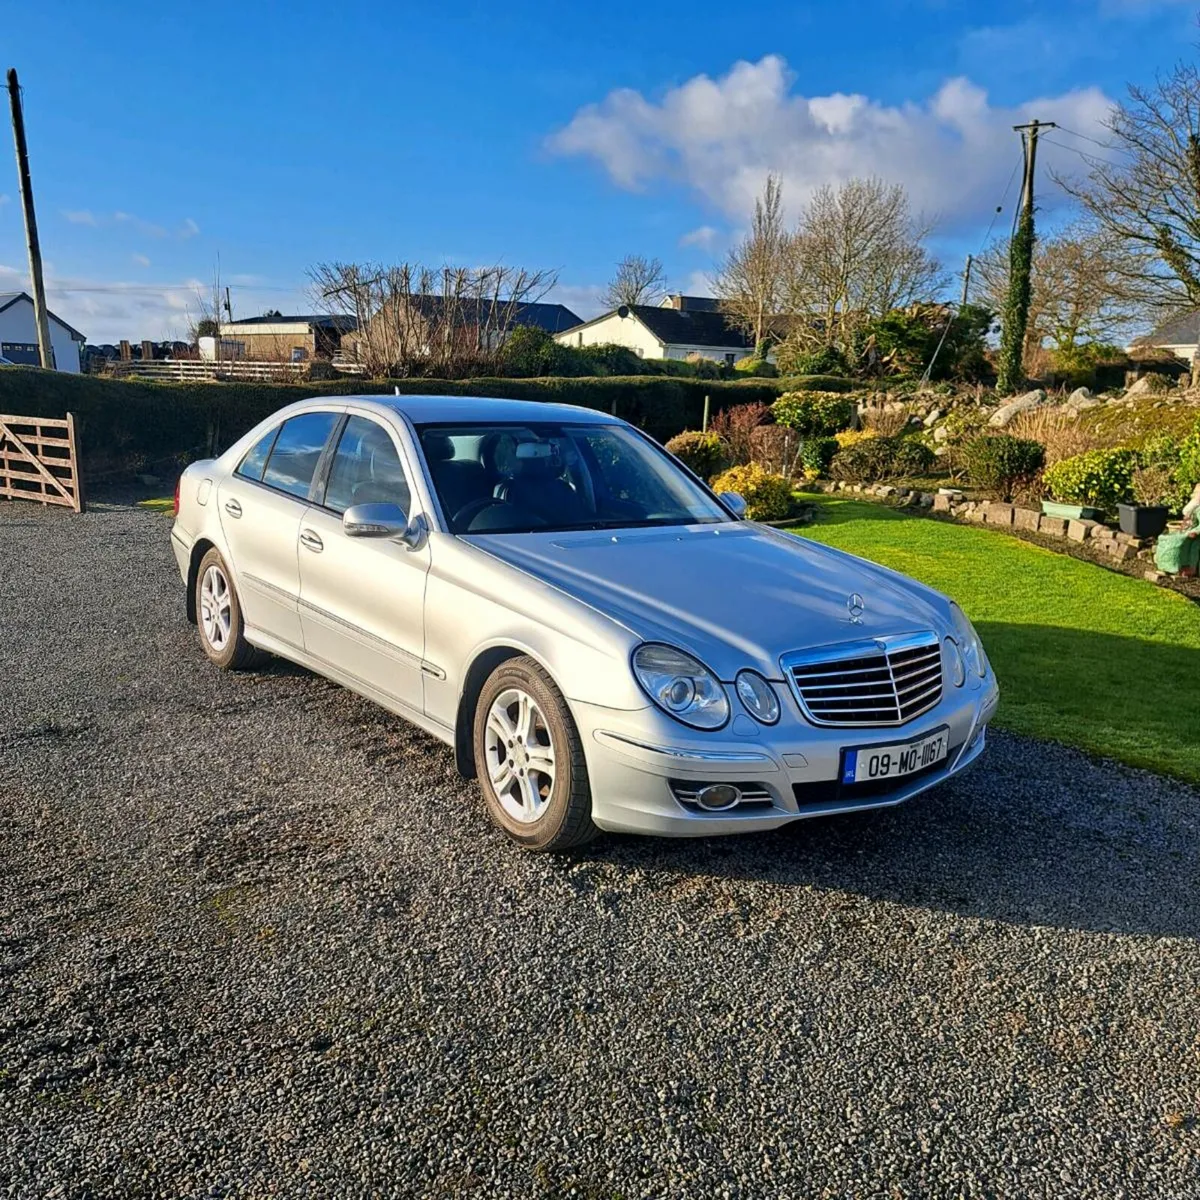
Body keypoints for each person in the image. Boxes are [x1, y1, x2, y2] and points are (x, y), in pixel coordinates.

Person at [1155, 483, 1200, 578]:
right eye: (1196, 493)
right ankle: (1164, 565)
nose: (1197, 495)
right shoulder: (1194, 506)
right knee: (1167, 539)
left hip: (1194, 534)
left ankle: (1189, 568)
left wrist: (1195, 532)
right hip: (1185, 530)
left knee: (1187, 545)